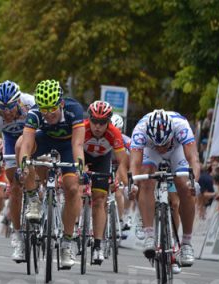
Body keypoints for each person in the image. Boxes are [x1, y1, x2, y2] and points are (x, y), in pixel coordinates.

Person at [17, 79, 85, 269]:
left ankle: (66, 242)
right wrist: (23, 165)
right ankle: (32, 199)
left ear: (61, 103)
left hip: (68, 145)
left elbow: (78, 145)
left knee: (72, 189)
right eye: (44, 109)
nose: (48, 114)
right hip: (45, 140)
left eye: (52, 109)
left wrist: (80, 168)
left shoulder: (74, 110)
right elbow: (28, 144)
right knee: (19, 144)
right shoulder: (35, 113)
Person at [129, 109, 200, 269]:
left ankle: (186, 243)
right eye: (158, 144)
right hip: (149, 151)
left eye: (164, 144)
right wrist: (133, 184)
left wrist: (193, 182)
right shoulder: (140, 130)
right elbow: (134, 164)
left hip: (176, 150)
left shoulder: (181, 126)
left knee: (185, 186)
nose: (161, 148)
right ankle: (149, 235)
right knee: (145, 179)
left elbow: (193, 159)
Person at [0, 80, 35, 260]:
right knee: (15, 186)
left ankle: (41, 199)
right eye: (2, 108)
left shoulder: (30, 104)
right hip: (11, 141)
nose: (7, 112)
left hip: (32, 137)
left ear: (18, 101)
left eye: (10, 107)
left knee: (37, 173)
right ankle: (18, 235)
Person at [83, 101, 129, 263]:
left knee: (99, 200)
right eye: (94, 121)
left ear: (108, 122)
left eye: (102, 123)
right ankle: (74, 229)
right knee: (73, 188)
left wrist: (120, 178)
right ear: (89, 119)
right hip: (82, 156)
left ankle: (97, 245)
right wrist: (80, 168)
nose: (97, 126)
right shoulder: (83, 128)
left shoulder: (114, 133)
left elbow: (122, 162)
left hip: (102, 160)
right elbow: (73, 148)